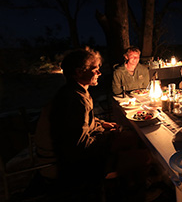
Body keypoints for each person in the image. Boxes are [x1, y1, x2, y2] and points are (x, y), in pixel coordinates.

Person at [34, 47, 121, 198]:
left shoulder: (77, 92)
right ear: (79, 72)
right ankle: (132, 191)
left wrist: (101, 125)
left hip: (64, 156)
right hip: (59, 164)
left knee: (123, 136)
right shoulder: (74, 100)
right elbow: (79, 145)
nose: (99, 73)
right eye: (95, 69)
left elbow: (83, 123)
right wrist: (109, 137)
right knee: (134, 154)